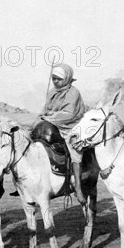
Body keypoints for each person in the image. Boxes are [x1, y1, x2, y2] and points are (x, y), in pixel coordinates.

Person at [38, 64, 87, 205]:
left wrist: (51, 116)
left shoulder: (73, 92)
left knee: (75, 152)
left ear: (67, 79)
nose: (55, 82)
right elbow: (46, 107)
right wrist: (44, 114)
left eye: (58, 79)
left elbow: (69, 114)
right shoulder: (52, 91)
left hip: (70, 126)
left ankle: (78, 187)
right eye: (53, 79)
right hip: (53, 124)